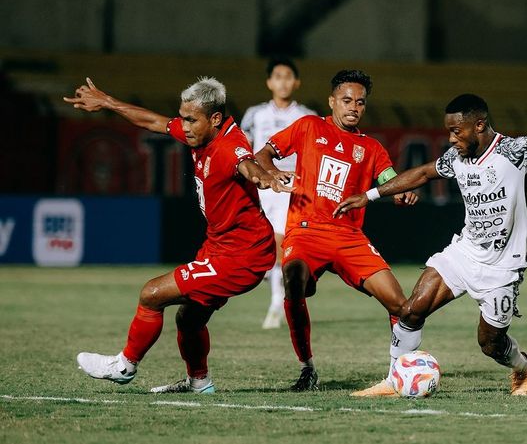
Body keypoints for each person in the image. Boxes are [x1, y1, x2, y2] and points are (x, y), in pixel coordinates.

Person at [335, 94, 527, 396]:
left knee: (490, 343)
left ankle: (521, 367)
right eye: (449, 131)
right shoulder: (456, 158)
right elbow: (424, 173)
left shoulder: (513, 151)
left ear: (479, 125)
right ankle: (394, 380)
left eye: (456, 131)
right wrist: (369, 196)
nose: (451, 138)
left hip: (504, 266)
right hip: (465, 253)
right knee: (412, 310)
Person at [63, 76, 293, 393]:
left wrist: (266, 178)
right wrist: (108, 102)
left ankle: (124, 365)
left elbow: (248, 164)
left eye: (190, 120)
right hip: (220, 247)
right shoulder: (200, 134)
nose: (183, 127)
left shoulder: (229, 146)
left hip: (244, 256)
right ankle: (200, 383)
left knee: (152, 293)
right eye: (182, 118)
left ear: (214, 119)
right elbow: (154, 121)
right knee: (189, 320)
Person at [255, 69, 418, 391]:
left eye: (360, 102)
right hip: (305, 231)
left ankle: (399, 372)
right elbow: (263, 155)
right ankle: (307, 368)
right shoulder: (308, 126)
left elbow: (389, 180)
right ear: (332, 101)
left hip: (349, 237)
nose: (353, 107)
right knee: (293, 284)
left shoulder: (370, 148)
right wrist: (273, 173)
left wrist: (401, 191)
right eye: (346, 100)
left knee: (402, 305)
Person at [241, 57, 316, 329]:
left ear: (296, 82)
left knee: (281, 243)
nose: (283, 81)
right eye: (278, 76)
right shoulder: (255, 115)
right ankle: (275, 290)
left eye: (288, 76)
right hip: (262, 187)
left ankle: (276, 304)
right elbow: (243, 149)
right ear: (269, 82)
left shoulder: (307, 117)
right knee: (264, 246)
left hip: (290, 187)